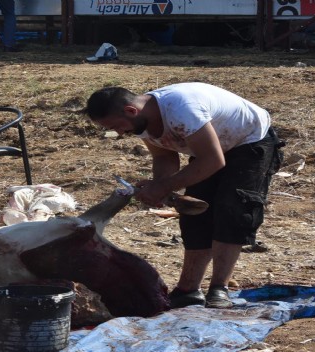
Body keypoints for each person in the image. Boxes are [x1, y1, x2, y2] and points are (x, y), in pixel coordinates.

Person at [82, 82, 284, 309]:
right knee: (195, 214)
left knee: (232, 209)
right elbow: (164, 157)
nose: (119, 133)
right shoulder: (142, 121)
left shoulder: (182, 109)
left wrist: (164, 186)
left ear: (131, 111)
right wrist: (161, 188)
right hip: (211, 148)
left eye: (117, 126)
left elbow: (213, 160)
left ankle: (219, 288)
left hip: (249, 140)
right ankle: (188, 289)